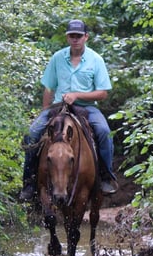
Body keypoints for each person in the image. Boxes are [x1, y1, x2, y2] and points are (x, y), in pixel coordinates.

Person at [19, 19, 119, 202]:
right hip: (58, 106)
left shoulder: (96, 59)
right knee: (31, 134)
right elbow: (49, 87)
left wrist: (77, 95)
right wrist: (44, 111)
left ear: (86, 37)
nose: (75, 39)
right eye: (72, 36)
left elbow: (103, 93)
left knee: (104, 132)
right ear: (67, 38)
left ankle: (105, 176)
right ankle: (30, 182)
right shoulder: (57, 58)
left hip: (87, 108)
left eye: (79, 36)